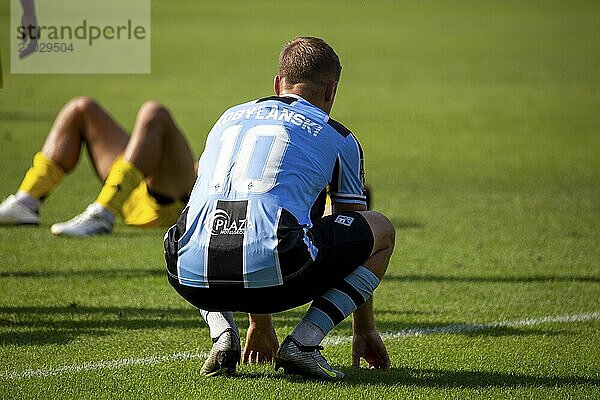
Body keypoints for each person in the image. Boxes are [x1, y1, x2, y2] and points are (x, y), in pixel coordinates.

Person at [164, 37, 395, 380]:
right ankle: (304, 342)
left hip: (187, 275)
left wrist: (258, 321)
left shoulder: (227, 118)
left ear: (277, 84)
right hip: (279, 277)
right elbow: (353, 228)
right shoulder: (339, 136)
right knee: (381, 230)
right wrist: (364, 329)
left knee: (197, 227)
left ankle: (222, 332)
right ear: (331, 91)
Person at [0, 97, 196, 236]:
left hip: (167, 204)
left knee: (154, 112)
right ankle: (25, 203)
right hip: (130, 194)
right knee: (81, 108)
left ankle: (102, 214)